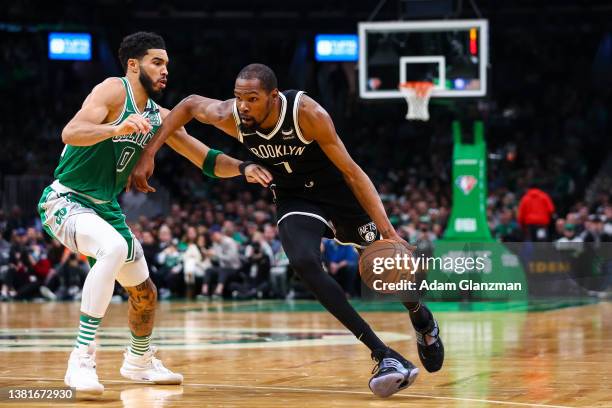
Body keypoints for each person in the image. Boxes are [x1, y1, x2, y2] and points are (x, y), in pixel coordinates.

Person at [129, 63, 443, 397]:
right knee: (304, 263)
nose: (243, 106)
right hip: (295, 198)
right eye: (239, 98)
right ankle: (384, 355)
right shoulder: (233, 115)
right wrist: (150, 151)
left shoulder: (307, 113)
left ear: (273, 97)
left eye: (252, 98)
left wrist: (389, 233)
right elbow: (190, 104)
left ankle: (420, 317)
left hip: (339, 195)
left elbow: (352, 172)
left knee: (389, 270)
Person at [37, 33, 271, 395]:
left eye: (167, 65)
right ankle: (81, 359)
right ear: (134, 65)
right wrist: (117, 127)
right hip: (66, 199)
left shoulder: (160, 116)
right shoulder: (113, 90)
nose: (165, 71)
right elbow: (72, 131)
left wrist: (242, 168)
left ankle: (139, 360)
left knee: (145, 292)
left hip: (105, 209)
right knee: (112, 249)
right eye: (157, 63)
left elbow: (204, 158)